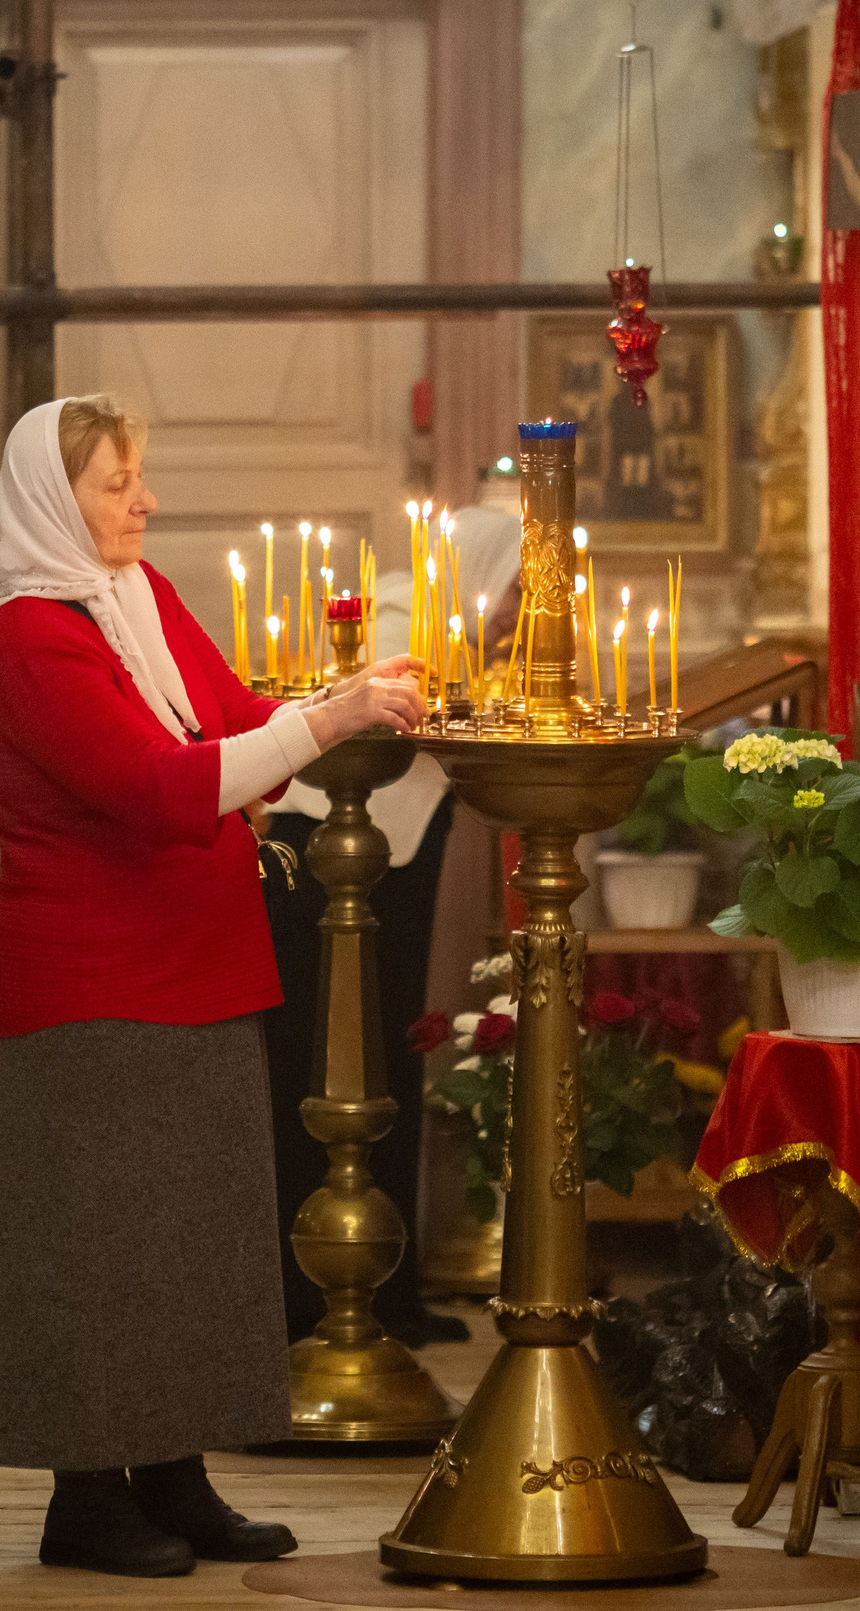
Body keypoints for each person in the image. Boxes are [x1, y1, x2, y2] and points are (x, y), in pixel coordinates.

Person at [0, 396, 426, 1579]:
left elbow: (232, 723)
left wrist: (335, 707)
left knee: (192, 1242)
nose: (144, 501)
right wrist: (328, 722)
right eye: (118, 485)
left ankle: (173, 1475)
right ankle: (84, 1500)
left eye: (137, 477)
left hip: (195, 962)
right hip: (89, 982)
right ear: (57, 502)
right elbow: (164, 789)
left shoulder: (140, 601)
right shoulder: (22, 639)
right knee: (96, 1250)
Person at [261, 505, 522, 1348]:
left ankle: (387, 1291)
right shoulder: (407, 615)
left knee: (391, 1059)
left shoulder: (458, 622)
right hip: (329, 855)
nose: (522, 605)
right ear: (483, 566)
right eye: (517, 584)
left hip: (391, 858)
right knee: (322, 1065)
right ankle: (309, 1295)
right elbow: (368, 721)